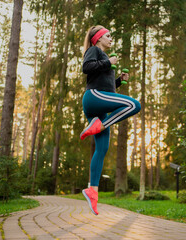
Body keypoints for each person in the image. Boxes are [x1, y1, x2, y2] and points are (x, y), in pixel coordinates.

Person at [80, 25, 141, 215]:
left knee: (102, 148)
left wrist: (119, 81)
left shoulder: (104, 56)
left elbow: (106, 86)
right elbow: (86, 68)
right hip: (93, 97)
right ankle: (100, 124)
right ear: (98, 38)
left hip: (100, 100)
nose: (111, 38)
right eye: (108, 36)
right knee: (134, 105)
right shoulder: (94, 50)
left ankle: (92, 190)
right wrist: (109, 62)